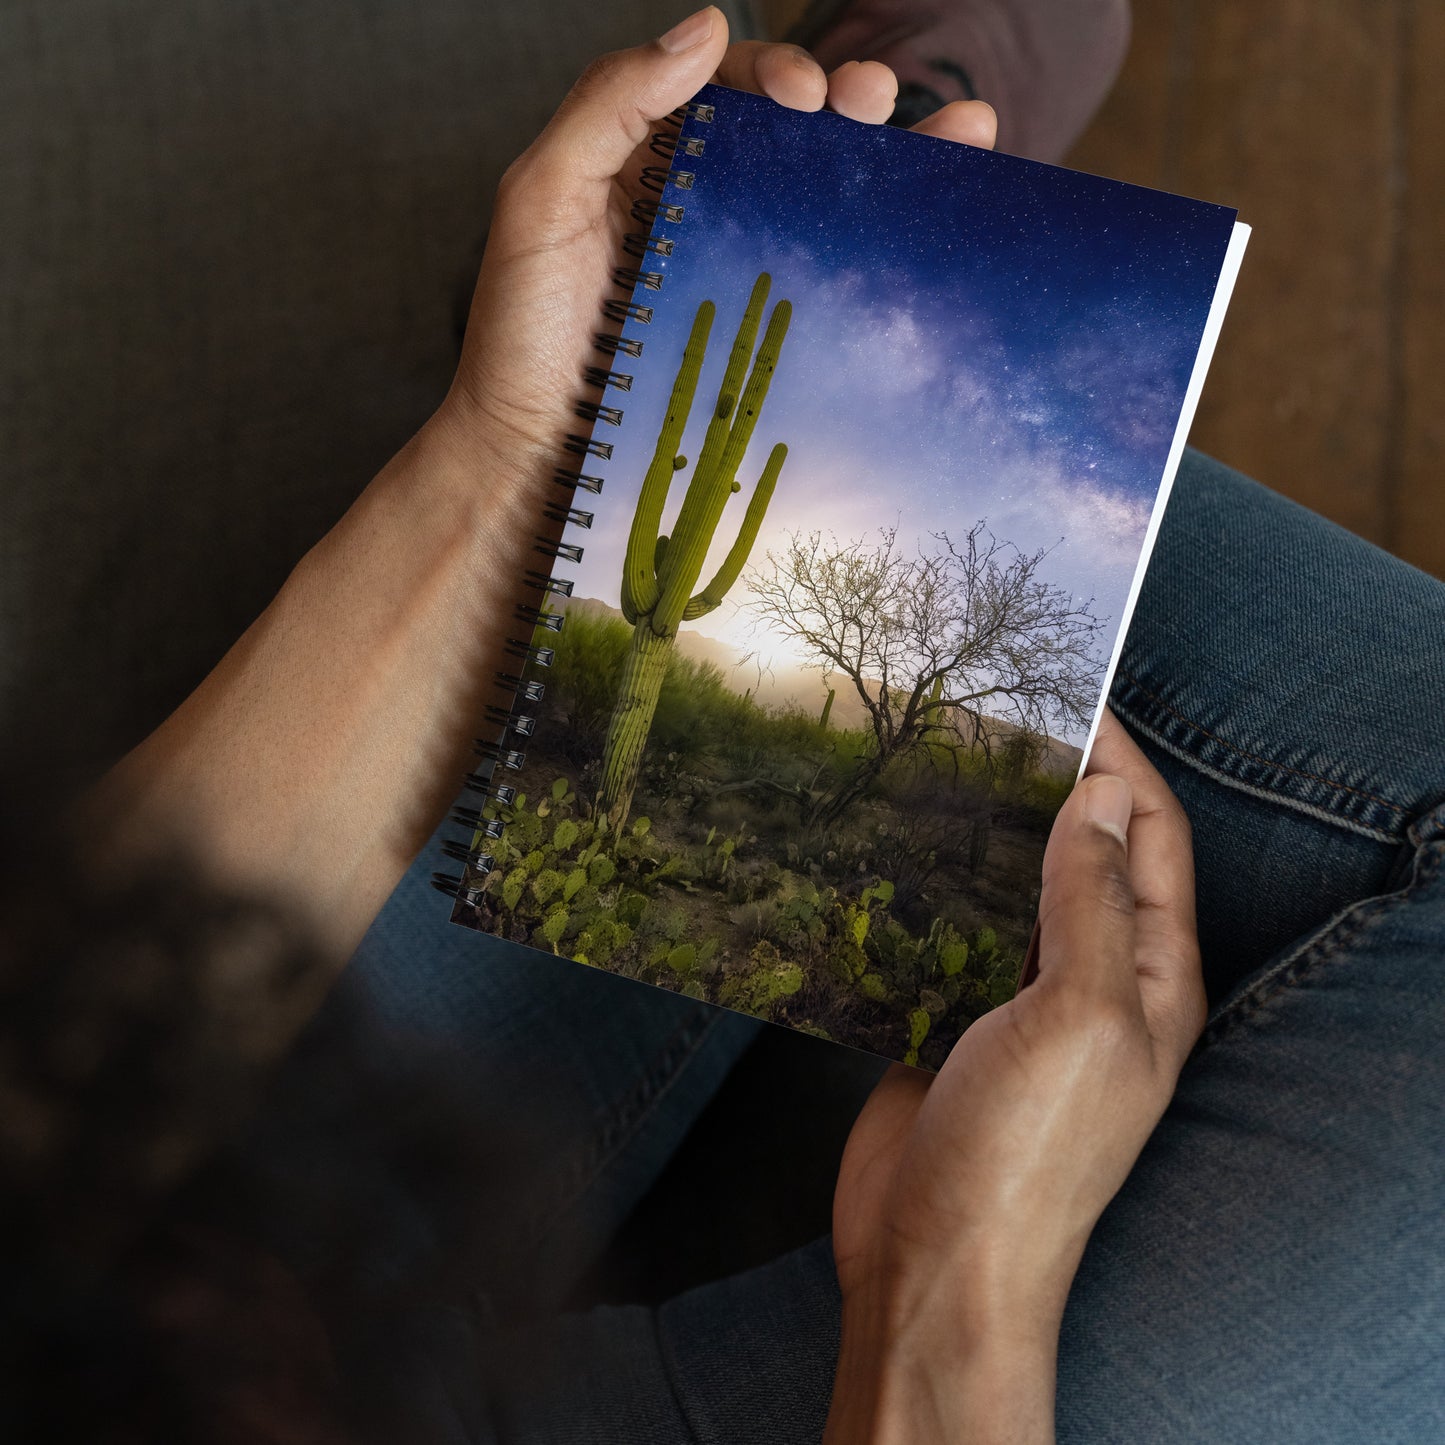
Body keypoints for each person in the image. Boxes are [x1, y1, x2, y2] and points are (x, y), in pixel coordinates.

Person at [4, 7, 1442, 1442]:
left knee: (675, 682)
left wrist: (502, 464)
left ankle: (768, 278)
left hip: (147, 1285)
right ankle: (862, 219)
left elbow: (45, 1079)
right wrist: (946, 1297)